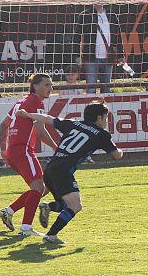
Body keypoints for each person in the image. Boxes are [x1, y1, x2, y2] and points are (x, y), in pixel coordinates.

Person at [16, 101, 124, 244]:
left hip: (50, 168)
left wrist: (27, 114)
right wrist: (121, 151)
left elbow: (48, 119)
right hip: (63, 172)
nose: (106, 121)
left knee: (64, 204)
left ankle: (47, 206)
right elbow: (116, 155)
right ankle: (51, 235)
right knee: (75, 206)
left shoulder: (73, 123)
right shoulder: (101, 134)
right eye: (105, 117)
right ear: (99, 118)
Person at [0, 73, 60, 236]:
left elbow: (3, 124)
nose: (50, 88)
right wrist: (56, 147)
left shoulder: (20, 101)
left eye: (51, 85)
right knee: (39, 188)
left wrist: (3, 149)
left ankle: (9, 211)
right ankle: (26, 228)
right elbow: (40, 132)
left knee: (39, 188)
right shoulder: (35, 102)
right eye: (47, 85)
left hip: (14, 152)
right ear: (36, 86)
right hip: (23, 150)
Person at [75, 0, 125, 94]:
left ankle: (105, 110)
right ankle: (91, 110)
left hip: (108, 58)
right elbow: (76, 37)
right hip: (90, 58)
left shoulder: (112, 15)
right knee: (91, 88)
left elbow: (118, 36)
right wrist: (77, 56)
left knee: (106, 88)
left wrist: (121, 55)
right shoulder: (85, 15)